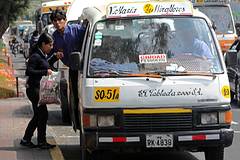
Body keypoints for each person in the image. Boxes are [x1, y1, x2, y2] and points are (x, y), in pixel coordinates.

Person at [48, 9, 86, 126]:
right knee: (75, 94)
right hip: (73, 69)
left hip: (86, 67)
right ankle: (77, 122)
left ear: (65, 20)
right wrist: (55, 56)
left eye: (60, 20)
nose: (58, 23)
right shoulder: (54, 37)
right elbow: (51, 56)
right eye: (55, 21)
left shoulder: (77, 29)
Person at [20, 33, 56, 149]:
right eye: (49, 45)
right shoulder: (36, 56)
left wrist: (55, 57)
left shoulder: (42, 54)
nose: (51, 47)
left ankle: (28, 139)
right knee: (42, 115)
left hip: (37, 89)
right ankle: (39, 141)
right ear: (43, 44)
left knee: (39, 115)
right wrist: (44, 72)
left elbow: (44, 65)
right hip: (34, 90)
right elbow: (29, 71)